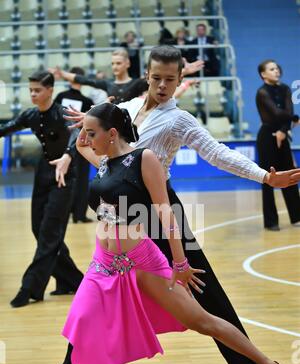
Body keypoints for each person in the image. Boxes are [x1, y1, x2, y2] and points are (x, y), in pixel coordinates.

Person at [46, 46, 300, 364]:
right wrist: (68, 153)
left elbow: (217, 153)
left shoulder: (180, 119)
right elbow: (91, 140)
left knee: (203, 286)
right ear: (147, 76)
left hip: (161, 205)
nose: (162, 85)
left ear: (180, 79)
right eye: (156, 78)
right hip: (120, 209)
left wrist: (264, 177)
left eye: (170, 79)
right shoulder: (127, 108)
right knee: (96, 292)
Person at [0, 71, 83, 307]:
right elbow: (8, 127)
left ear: (50, 90)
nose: (33, 94)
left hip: (64, 176)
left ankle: (30, 288)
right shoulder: (31, 114)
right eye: (31, 90)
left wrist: (68, 156)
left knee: (49, 233)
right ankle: (73, 281)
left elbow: (76, 132)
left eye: (37, 90)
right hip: (43, 174)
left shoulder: (63, 112)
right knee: (41, 230)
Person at [50, 48, 203, 105]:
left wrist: (184, 72)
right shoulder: (108, 84)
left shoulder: (137, 84)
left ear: (127, 63)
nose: (115, 67)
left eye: (118, 63)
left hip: (134, 126)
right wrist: (62, 74)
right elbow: (83, 80)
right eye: (113, 63)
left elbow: (161, 78)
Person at [256, 60, 300, 230]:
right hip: (267, 137)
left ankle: (297, 216)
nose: (276, 71)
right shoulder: (262, 92)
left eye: (277, 68)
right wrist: (293, 119)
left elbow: (287, 111)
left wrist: (283, 130)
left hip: (282, 135)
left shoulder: (286, 89)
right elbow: (275, 114)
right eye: (271, 69)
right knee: (267, 178)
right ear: (263, 74)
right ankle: (271, 222)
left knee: (290, 176)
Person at [55, 66, 94, 224]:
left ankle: (62, 213)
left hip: (62, 145)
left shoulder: (60, 97)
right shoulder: (87, 102)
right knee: (82, 179)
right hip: (81, 145)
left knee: (62, 177)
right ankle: (79, 214)